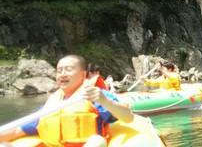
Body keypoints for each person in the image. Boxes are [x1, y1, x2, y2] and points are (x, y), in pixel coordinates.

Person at [0, 55, 133, 146]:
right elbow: (18, 130)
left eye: (68, 70)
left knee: (96, 140)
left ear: (82, 75)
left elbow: (128, 118)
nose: (63, 74)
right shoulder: (51, 104)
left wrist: (104, 101)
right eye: (59, 71)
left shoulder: (95, 95)